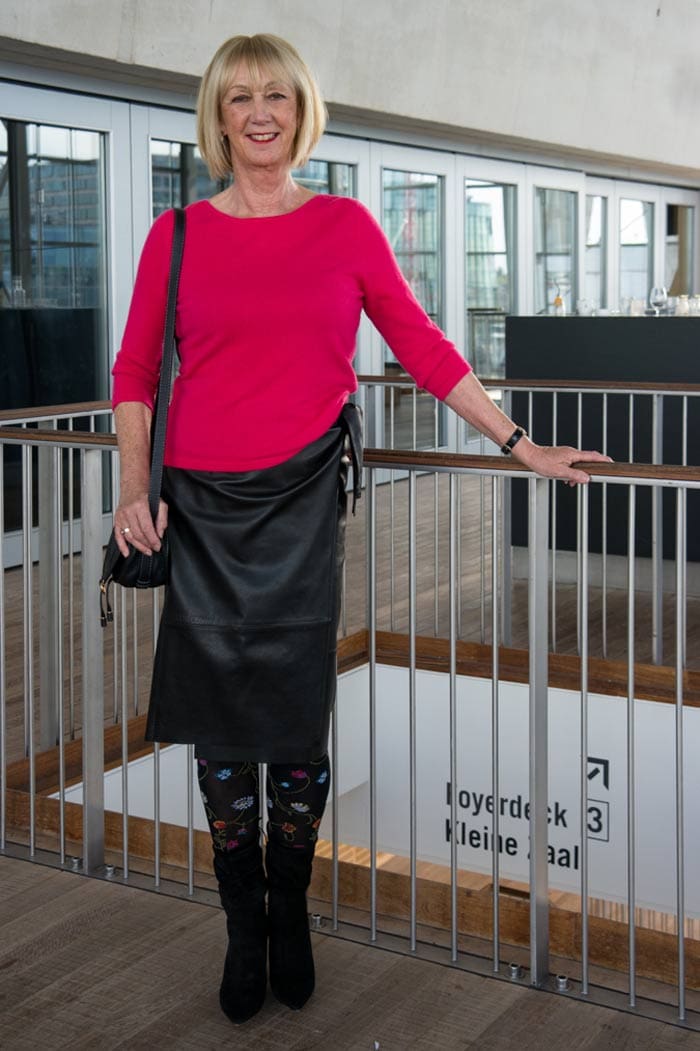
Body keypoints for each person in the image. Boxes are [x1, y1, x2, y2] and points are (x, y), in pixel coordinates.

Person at [110, 33, 610, 1026]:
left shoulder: (342, 226)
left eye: (278, 95)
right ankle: (242, 928)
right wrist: (135, 485)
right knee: (219, 733)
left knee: (292, 727)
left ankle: (288, 909)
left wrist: (520, 444)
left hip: (299, 506)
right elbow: (133, 371)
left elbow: (420, 346)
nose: (260, 111)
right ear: (218, 115)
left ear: (301, 111)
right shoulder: (175, 236)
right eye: (241, 96)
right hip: (200, 510)